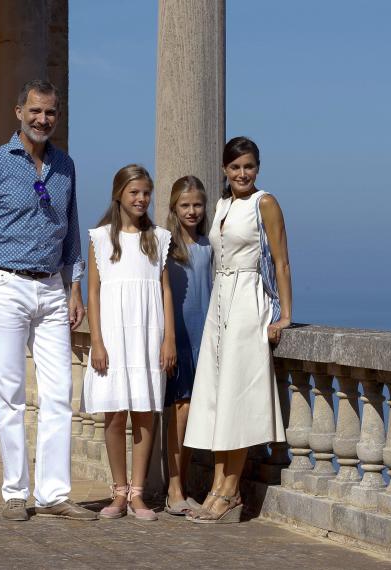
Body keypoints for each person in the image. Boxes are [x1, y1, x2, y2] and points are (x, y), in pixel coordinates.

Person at [0, 79, 96, 521]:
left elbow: (71, 234)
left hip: (53, 288)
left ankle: (54, 494)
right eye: (35, 111)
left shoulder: (65, 167)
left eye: (50, 112)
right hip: (5, 285)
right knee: (10, 391)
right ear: (19, 112)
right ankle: (16, 492)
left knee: (59, 393)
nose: (43, 119)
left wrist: (75, 289)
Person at [184, 137, 292, 524]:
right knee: (217, 397)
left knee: (237, 396)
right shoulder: (222, 205)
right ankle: (218, 487)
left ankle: (229, 493)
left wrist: (284, 316)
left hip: (248, 300)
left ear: (257, 168)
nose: (242, 173)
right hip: (221, 299)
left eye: (248, 166)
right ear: (226, 171)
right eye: (235, 167)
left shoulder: (266, 202)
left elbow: (280, 261)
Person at [82, 164, 176, 520]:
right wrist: (98, 342)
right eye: (134, 192)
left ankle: (138, 494)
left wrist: (169, 339)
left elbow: (165, 290)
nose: (141, 199)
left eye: (146, 193)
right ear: (119, 193)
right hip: (114, 336)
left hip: (148, 335)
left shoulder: (159, 238)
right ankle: (118, 493)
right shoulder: (101, 238)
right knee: (114, 413)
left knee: (144, 413)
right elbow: (93, 292)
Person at [163, 176, 212, 516]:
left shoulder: (210, 245)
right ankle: (174, 487)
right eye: (185, 205)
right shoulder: (165, 246)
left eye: (197, 204)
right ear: (174, 208)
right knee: (179, 412)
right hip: (177, 337)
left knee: (194, 413)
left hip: (204, 336)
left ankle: (186, 483)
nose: (192, 211)